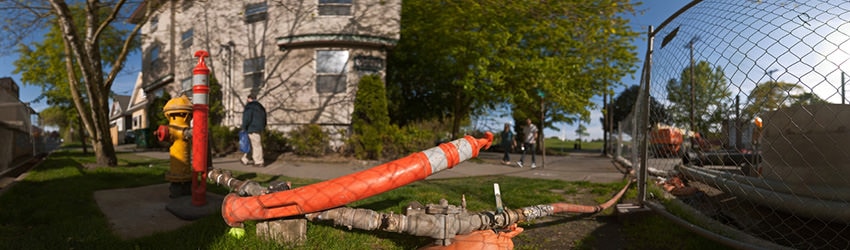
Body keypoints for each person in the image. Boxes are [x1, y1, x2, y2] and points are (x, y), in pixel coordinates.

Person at [241, 94, 267, 167]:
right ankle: (245, 159)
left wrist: (244, 127)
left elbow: (247, 118)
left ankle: (259, 162)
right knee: (252, 145)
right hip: (259, 128)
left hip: (252, 128)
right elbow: (265, 118)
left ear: (249, 98)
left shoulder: (249, 107)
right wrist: (263, 127)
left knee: (256, 145)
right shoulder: (260, 107)